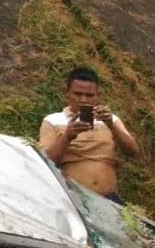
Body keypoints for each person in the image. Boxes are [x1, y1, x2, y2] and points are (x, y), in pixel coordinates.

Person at [38, 66, 140, 201]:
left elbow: (133, 152)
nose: (84, 100)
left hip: (109, 198)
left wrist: (111, 125)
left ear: (98, 95)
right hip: (72, 198)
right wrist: (68, 136)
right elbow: (45, 161)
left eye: (89, 95)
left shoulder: (111, 119)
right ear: (67, 93)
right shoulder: (53, 120)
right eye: (78, 94)